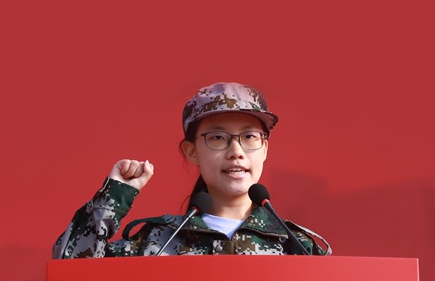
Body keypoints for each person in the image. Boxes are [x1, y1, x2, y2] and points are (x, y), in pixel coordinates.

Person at [52, 82, 331, 258]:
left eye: (249, 137)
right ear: (191, 152)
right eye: (217, 138)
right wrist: (113, 198)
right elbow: (71, 279)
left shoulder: (298, 247)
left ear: (265, 149)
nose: (236, 151)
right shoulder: (156, 243)